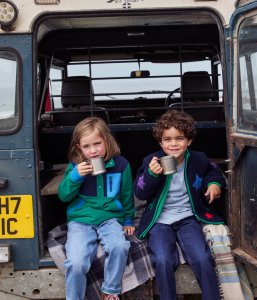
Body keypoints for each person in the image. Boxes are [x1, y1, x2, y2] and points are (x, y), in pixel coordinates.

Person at [134, 110, 225, 300]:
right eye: (167, 139)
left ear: (189, 141)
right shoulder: (151, 161)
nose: (173, 144)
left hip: (188, 218)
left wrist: (214, 184)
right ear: (160, 142)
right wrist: (151, 174)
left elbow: (213, 171)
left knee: (202, 257)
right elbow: (140, 192)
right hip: (159, 221)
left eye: (180, 138)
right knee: (163, 259)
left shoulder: (198, 159)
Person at [58, 117, 135, 300]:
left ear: (107, 141)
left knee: (120, 246)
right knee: (76, 262)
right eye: (86, 147)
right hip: (80, 221)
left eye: (98, 144)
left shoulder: (121, 165)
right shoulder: (75, 167)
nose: (93, 151)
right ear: (79, 148)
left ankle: (110, 291)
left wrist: (128, 219)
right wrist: (75, 177)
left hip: (110, 219)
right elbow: (63, 196)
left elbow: (126, 195)